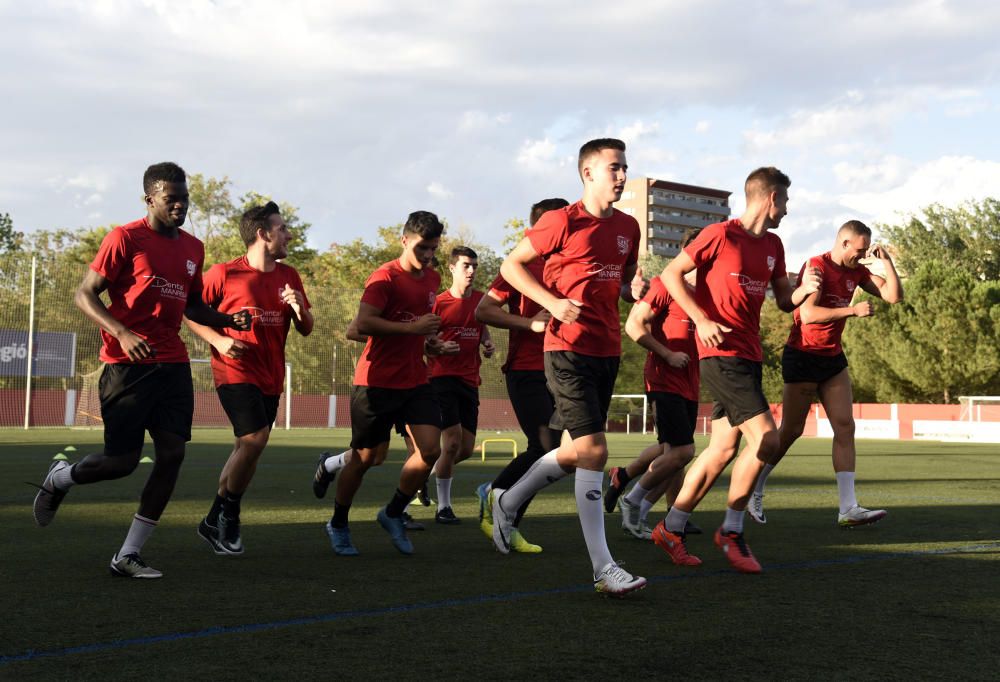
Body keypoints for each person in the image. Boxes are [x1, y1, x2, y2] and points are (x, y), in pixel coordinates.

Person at [31, 162, 251, 578]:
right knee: (123, 462)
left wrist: (226, 321)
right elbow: (84, 294)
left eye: (185, 198)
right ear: (150, 198)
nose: (180, 205)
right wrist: (121, 331)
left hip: (172, 364)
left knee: (172, 454)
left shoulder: (192, 247)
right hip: (125, 367)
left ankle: (128, 555)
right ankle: (62, 478)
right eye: (172, 199)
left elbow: (192, 305)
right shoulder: (125, 238)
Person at [492, 138, 649, 596]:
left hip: (607, 349)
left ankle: (508, 499)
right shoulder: (560, 220)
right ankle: (604, 568)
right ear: (588, 174)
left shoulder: (629, 227)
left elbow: (619, 283)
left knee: (577, 450)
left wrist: (634, 291)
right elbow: (512, 265)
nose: (622, 176)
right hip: (565, 351)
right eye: (614, 168)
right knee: (596, 451)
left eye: (625, 168)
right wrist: (551, 303)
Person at [655, 166, 821, 574]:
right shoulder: (719, 234)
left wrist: (806, 288)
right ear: (770, 199)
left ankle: (670, 528)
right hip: (720, 353)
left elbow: (784, 300)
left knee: (722, 450)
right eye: (785, 201)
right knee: (767, 439)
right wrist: (702, 319)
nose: (787, 210)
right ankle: (731, 529)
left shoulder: (775, 246)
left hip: (749, 355)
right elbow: (670, 274)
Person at [749, 220, 903, 527]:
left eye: (865, 253)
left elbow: (893, 296)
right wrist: (852, 310)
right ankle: (755, 486)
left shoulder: (857, 271)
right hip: (803, 355)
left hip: (832, 357)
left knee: (845, 427)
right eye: (858, 251)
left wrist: (888, 264)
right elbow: (807, 315)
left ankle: (848, 508)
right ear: (844, 243)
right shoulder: (816, 265)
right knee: (791, 431)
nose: (861, 258)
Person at [188, 201, 313, 555]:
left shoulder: (290, 276)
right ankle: (230, 513)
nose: (289, 234)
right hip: (235, 371)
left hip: (271, 375)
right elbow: (191, 313)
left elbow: (306, 328)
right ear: (263, 234)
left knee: (247, 449)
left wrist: (298, 307)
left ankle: (212, 519)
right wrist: (220, 340)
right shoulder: (223, 274)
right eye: (283, 228)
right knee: (255, 440)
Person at [324, 211, 449, 556]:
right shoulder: (384, 278)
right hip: (376, 381)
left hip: (414, 379)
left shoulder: (432, 278)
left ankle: (393, 512)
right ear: (404, 240)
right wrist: (413, 330)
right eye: (422, 247)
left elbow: (417, 328)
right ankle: (338, 522)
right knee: (365, 459)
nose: (427, 255)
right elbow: (362, 324)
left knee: (431, 451)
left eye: (433, 249)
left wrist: (429, 343)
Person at [474, 197, 568, 553]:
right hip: (527, 369)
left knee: (571, 453)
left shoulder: (572, 263)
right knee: (544, 446)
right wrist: (529, 324)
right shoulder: (520, 265)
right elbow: (484, 310)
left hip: (563, 368)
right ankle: (502, 507)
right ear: (537, 228)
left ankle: (498, 495)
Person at [612, 229, 704, 542]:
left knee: (674, 455)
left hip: (691, 383)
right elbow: (633, 324)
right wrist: (667, 353)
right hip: (664, 379)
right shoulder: (666, 284)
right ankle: (632, 500)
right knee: (681, 451)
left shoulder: (706, 292)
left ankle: (635, 504)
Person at [425, 246, 495, 524]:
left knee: (464, 449)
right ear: (452, 268)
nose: (472, 271)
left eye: (475, 266)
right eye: (466, 265)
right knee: (451, 442)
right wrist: (439, 347)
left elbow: (482, 330)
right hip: (441, 378)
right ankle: (444, 508)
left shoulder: (481, 301)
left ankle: (423, 474)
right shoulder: (438, 303)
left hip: (470, 380)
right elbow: (424, 343)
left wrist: (487, 344)